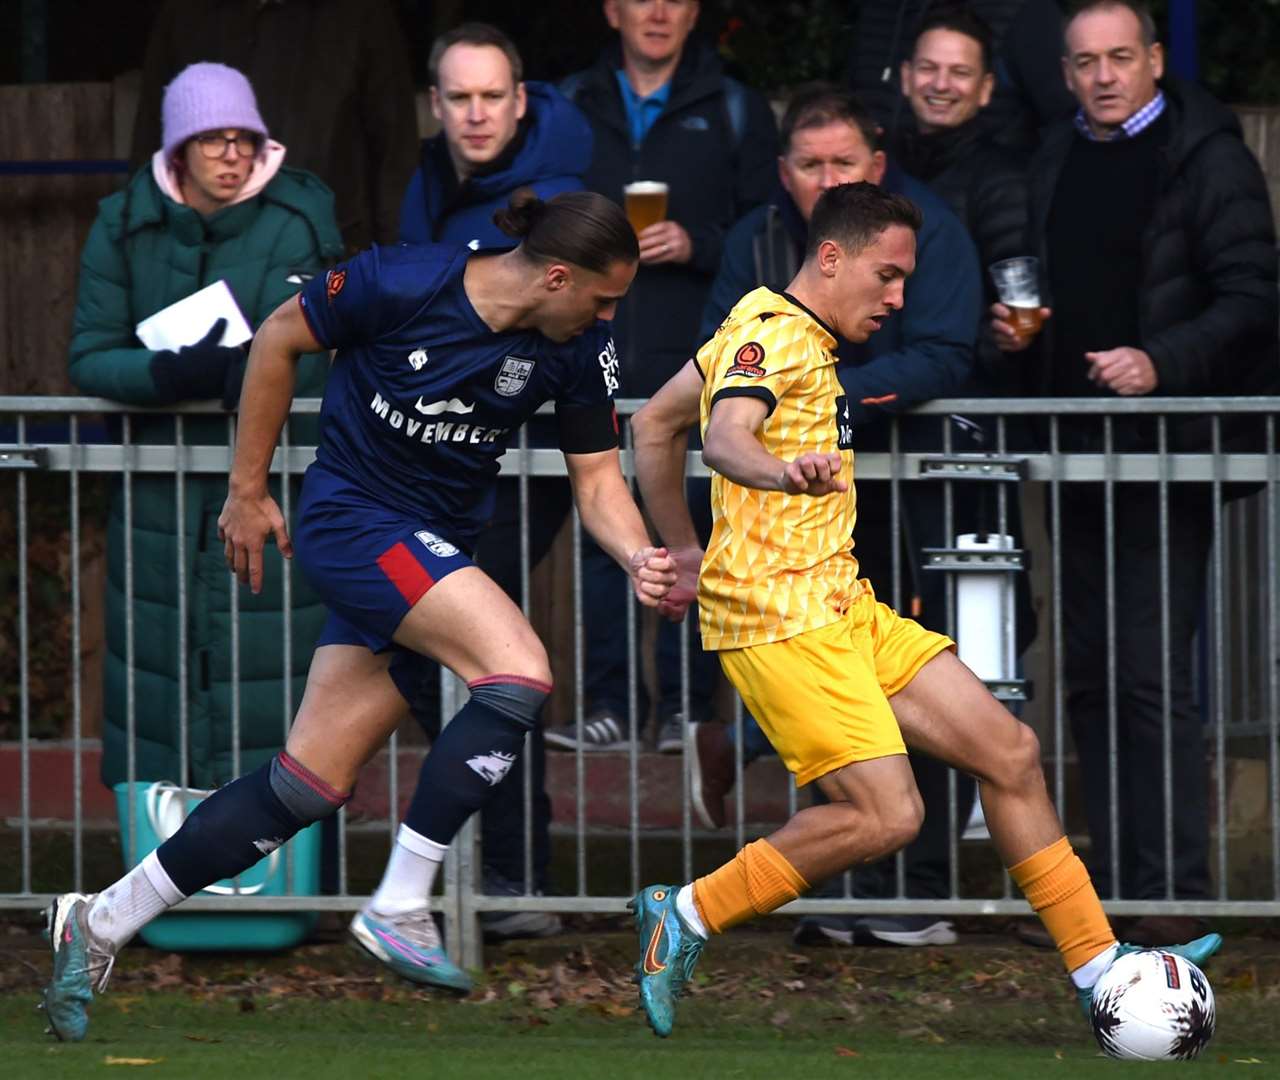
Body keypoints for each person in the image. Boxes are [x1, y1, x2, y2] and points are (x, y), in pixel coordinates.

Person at [41, 190, 677, 1043]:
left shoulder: (578, 346)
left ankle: (101, 920)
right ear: (556, 276)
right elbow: (277, 337)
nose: (609, 317)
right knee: (519, 670)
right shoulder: (401, 281)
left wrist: (639, 555)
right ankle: (402, 904)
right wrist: (247, 487)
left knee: (303, 787)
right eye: (602, 298)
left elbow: (599, 483)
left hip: (429, 553)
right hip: (354, 525)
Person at [624, 179, 1220, 1039]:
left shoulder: (765, 325)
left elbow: (655, 424)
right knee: (888, 815)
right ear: (832, 258)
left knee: (1008, 751)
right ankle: (682, 916)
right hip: (780, 619)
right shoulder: (771, 334)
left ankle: (1099, 971)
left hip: (842, 603)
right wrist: (773, 471)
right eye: (889, 276)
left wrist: (680, 548)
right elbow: (723, 438)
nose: (899, 297)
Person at [991, 0, 1279, 944]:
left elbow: (1252, 293)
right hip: (1075, 451)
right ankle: (1104, 890)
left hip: (1168, 456)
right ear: (1066, 71)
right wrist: (1018, 340)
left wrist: (1163, 361)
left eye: (1121, 57)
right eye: (1085, 61)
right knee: (1087, 678)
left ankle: (1174, 893)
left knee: (1151, 675)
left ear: (1156, 60)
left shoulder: (1210, 156)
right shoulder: (1055, 155)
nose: (1103, 76)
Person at [693, 84, 981, 949]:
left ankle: (919, 896)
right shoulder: (757, 248)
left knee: (988, 745)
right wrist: (666, 538)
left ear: (877, 165)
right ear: (785, 172)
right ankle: (810, 896)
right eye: (809, 165)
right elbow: (701, 400)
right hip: (786, 560)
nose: (824, 178)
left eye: (841, 164)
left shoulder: (924, 231)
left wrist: (826, 405)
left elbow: (944, 354)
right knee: (862, 769)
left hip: (904, 500)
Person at [67, 63, 342, 799]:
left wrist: (257, 374)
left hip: (278, 487)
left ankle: (288, 887)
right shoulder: (123, 223)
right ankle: (155, 884)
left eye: (243, 138)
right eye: (210, 139)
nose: (230, 153)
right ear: (177, 150)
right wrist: (169, 377)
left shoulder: (299, 221)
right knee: (155, 683)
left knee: (277, 680)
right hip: (156, 494)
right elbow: (90, 355)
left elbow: (329, 349)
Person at [393, 21, 596, 940]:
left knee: (496, 666)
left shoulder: (558, 185)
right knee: (449, 667)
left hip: (514, 461)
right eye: (459, 99)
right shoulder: (430, 181)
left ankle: (512, 877)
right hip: (435, 469)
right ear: (437, 106)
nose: (476, 114)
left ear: (522, 100)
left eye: (491, 97)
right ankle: (465, 880)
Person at [547, 0, 779, 753]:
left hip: (693, 361)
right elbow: (543, 220)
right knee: (603, 532)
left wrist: (701, 242)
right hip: (593, 349)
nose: (658, 11)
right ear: (610, 9)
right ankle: (611, 707)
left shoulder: (737, 105)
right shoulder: (571, 104)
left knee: (693, 529)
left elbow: (769, 227)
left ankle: (685, 710)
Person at [131, 0, 418, 254]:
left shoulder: (361, 14)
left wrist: (395, 260)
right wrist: (143, 244)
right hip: (206, 254)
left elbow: (394, 148)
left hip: (329, 252)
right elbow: (153, 138)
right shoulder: (185, 14)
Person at [844, 0, 1075, 152]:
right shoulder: (879, 10)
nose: (941, 84)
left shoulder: (1026, 11)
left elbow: (1065, 121)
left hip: (989, 204)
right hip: (882, 200)